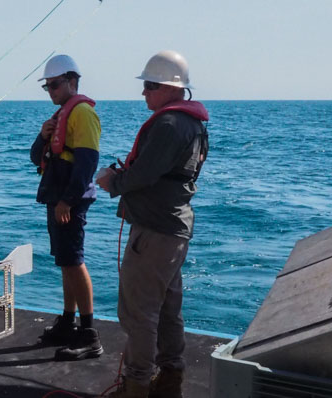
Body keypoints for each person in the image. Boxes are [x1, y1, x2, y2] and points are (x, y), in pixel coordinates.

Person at [96, 50, 209, 397]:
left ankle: (137, 386)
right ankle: (170, 379)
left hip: (154, 233)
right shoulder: (192, 124)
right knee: (168, 310)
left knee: (139, 313)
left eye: (149, 86)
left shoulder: (169, 124)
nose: (143, 93)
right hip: (174, 230)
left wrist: (111, 182)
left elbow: (144, 174)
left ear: (170, 88)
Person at [30, 54, 103, 361]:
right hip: (57, 197)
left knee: (73, 260)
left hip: (68, 200)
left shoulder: (82, 113)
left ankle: (89, 334)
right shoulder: (60, 116)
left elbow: (87, 162)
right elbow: (37, 157)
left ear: (72, 81)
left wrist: (67, 201)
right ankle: (68, 321)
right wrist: (42, 135)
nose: (52, 91)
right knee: (65, 260)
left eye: (56, 85)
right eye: (47, 87)